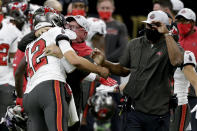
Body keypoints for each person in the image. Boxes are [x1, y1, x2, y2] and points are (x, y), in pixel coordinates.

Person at [15, 8, 109, 131]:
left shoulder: (30, 45)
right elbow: (73, 61)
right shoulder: (57, 31)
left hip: (29, 96)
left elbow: (18, 72)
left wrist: (20, 98)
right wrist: (100, 70)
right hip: (50, 86)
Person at [91, 10, 183, 131]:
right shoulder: (135, 44)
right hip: (134, 111)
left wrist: (167, 34)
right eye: (148, 25)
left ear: (165, 27)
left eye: (155, 25)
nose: (150, 28)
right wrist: (104, 62)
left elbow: (177, 61)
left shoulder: (172, 46)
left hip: (159, 113)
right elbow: (123, 70)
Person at [0, 3, 22, 130]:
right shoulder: (11, 30)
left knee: (4, 122)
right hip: (6, 81)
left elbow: (14, 61)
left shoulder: (11, 30)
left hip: (6, 81)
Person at [175, 7, 197, 131]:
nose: (181, 25)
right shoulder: (175, 37)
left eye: (185, 21)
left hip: (194, 92)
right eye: (179, 21)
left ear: (192, 22)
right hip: (177, 92)